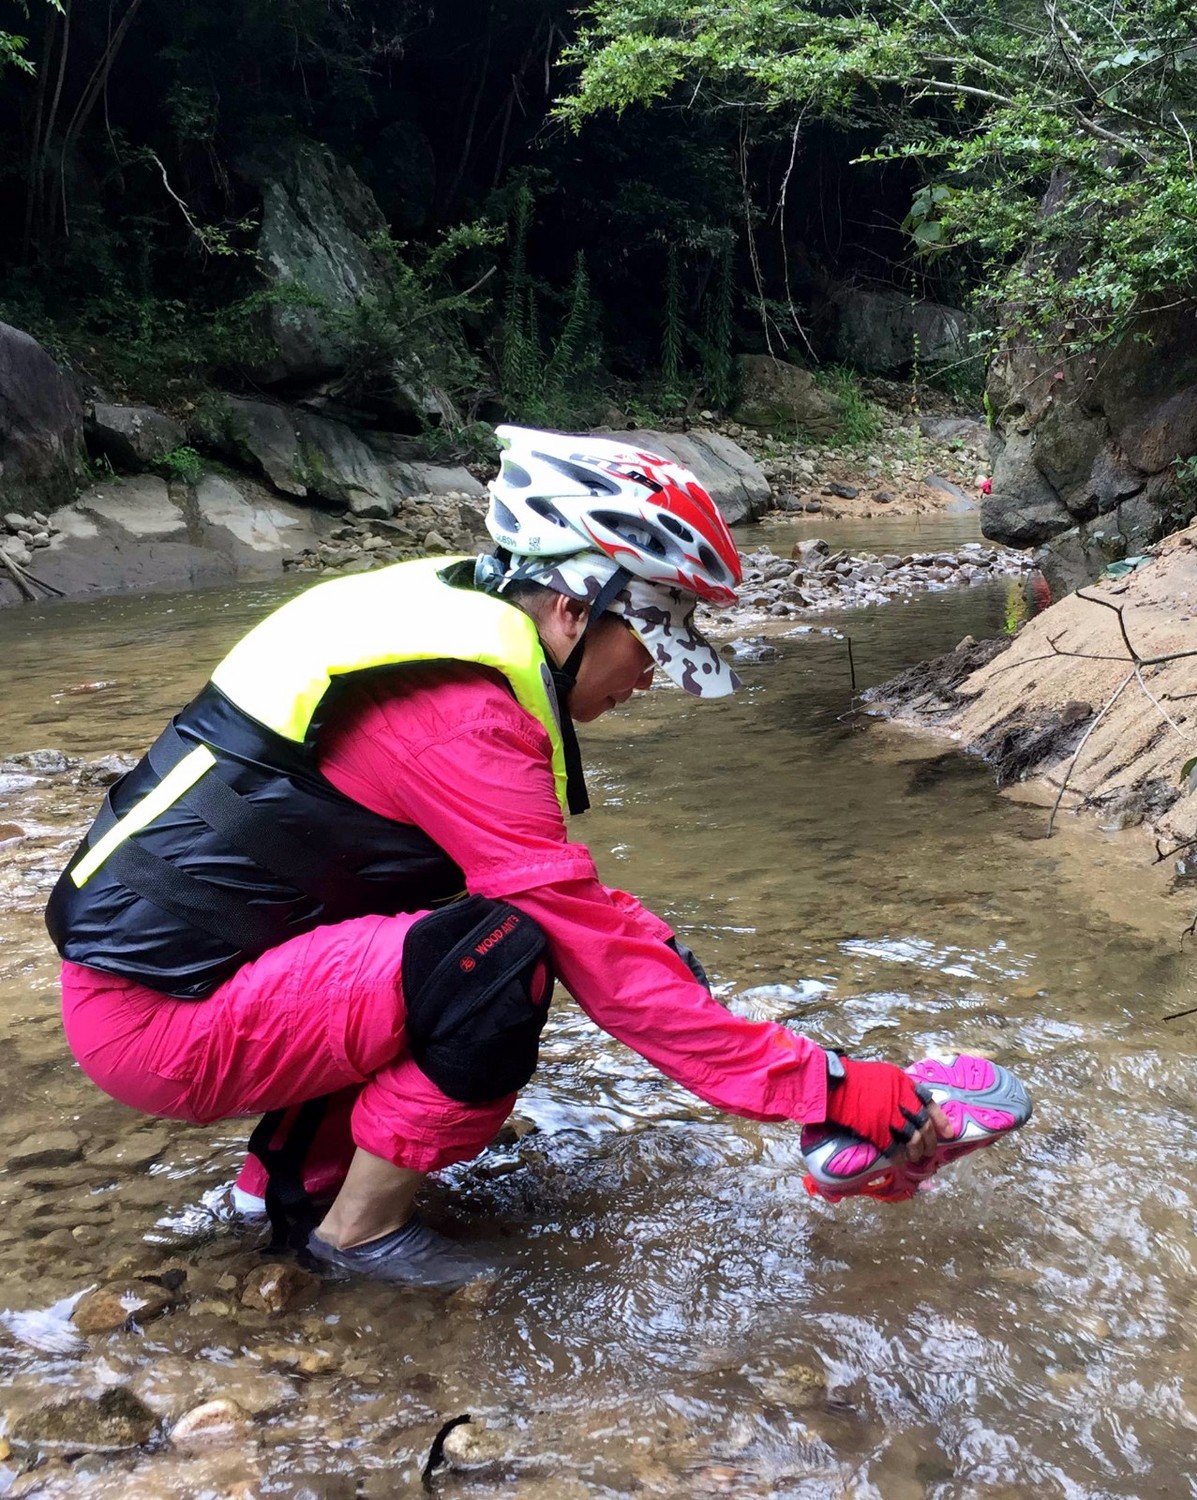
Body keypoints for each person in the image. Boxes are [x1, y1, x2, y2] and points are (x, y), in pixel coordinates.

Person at [47, 425, 949, 1286]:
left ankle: (279, 1195)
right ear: (570, 608)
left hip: (191, 980)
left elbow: (583, 909)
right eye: (649, 643)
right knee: (497, 957)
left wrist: (679, 971)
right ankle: (357, 1239)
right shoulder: (460, 716)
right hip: (162, 1024)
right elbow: (582, 945)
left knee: (499, 934)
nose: (652, 678)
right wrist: (823, 1087)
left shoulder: (450, 635)